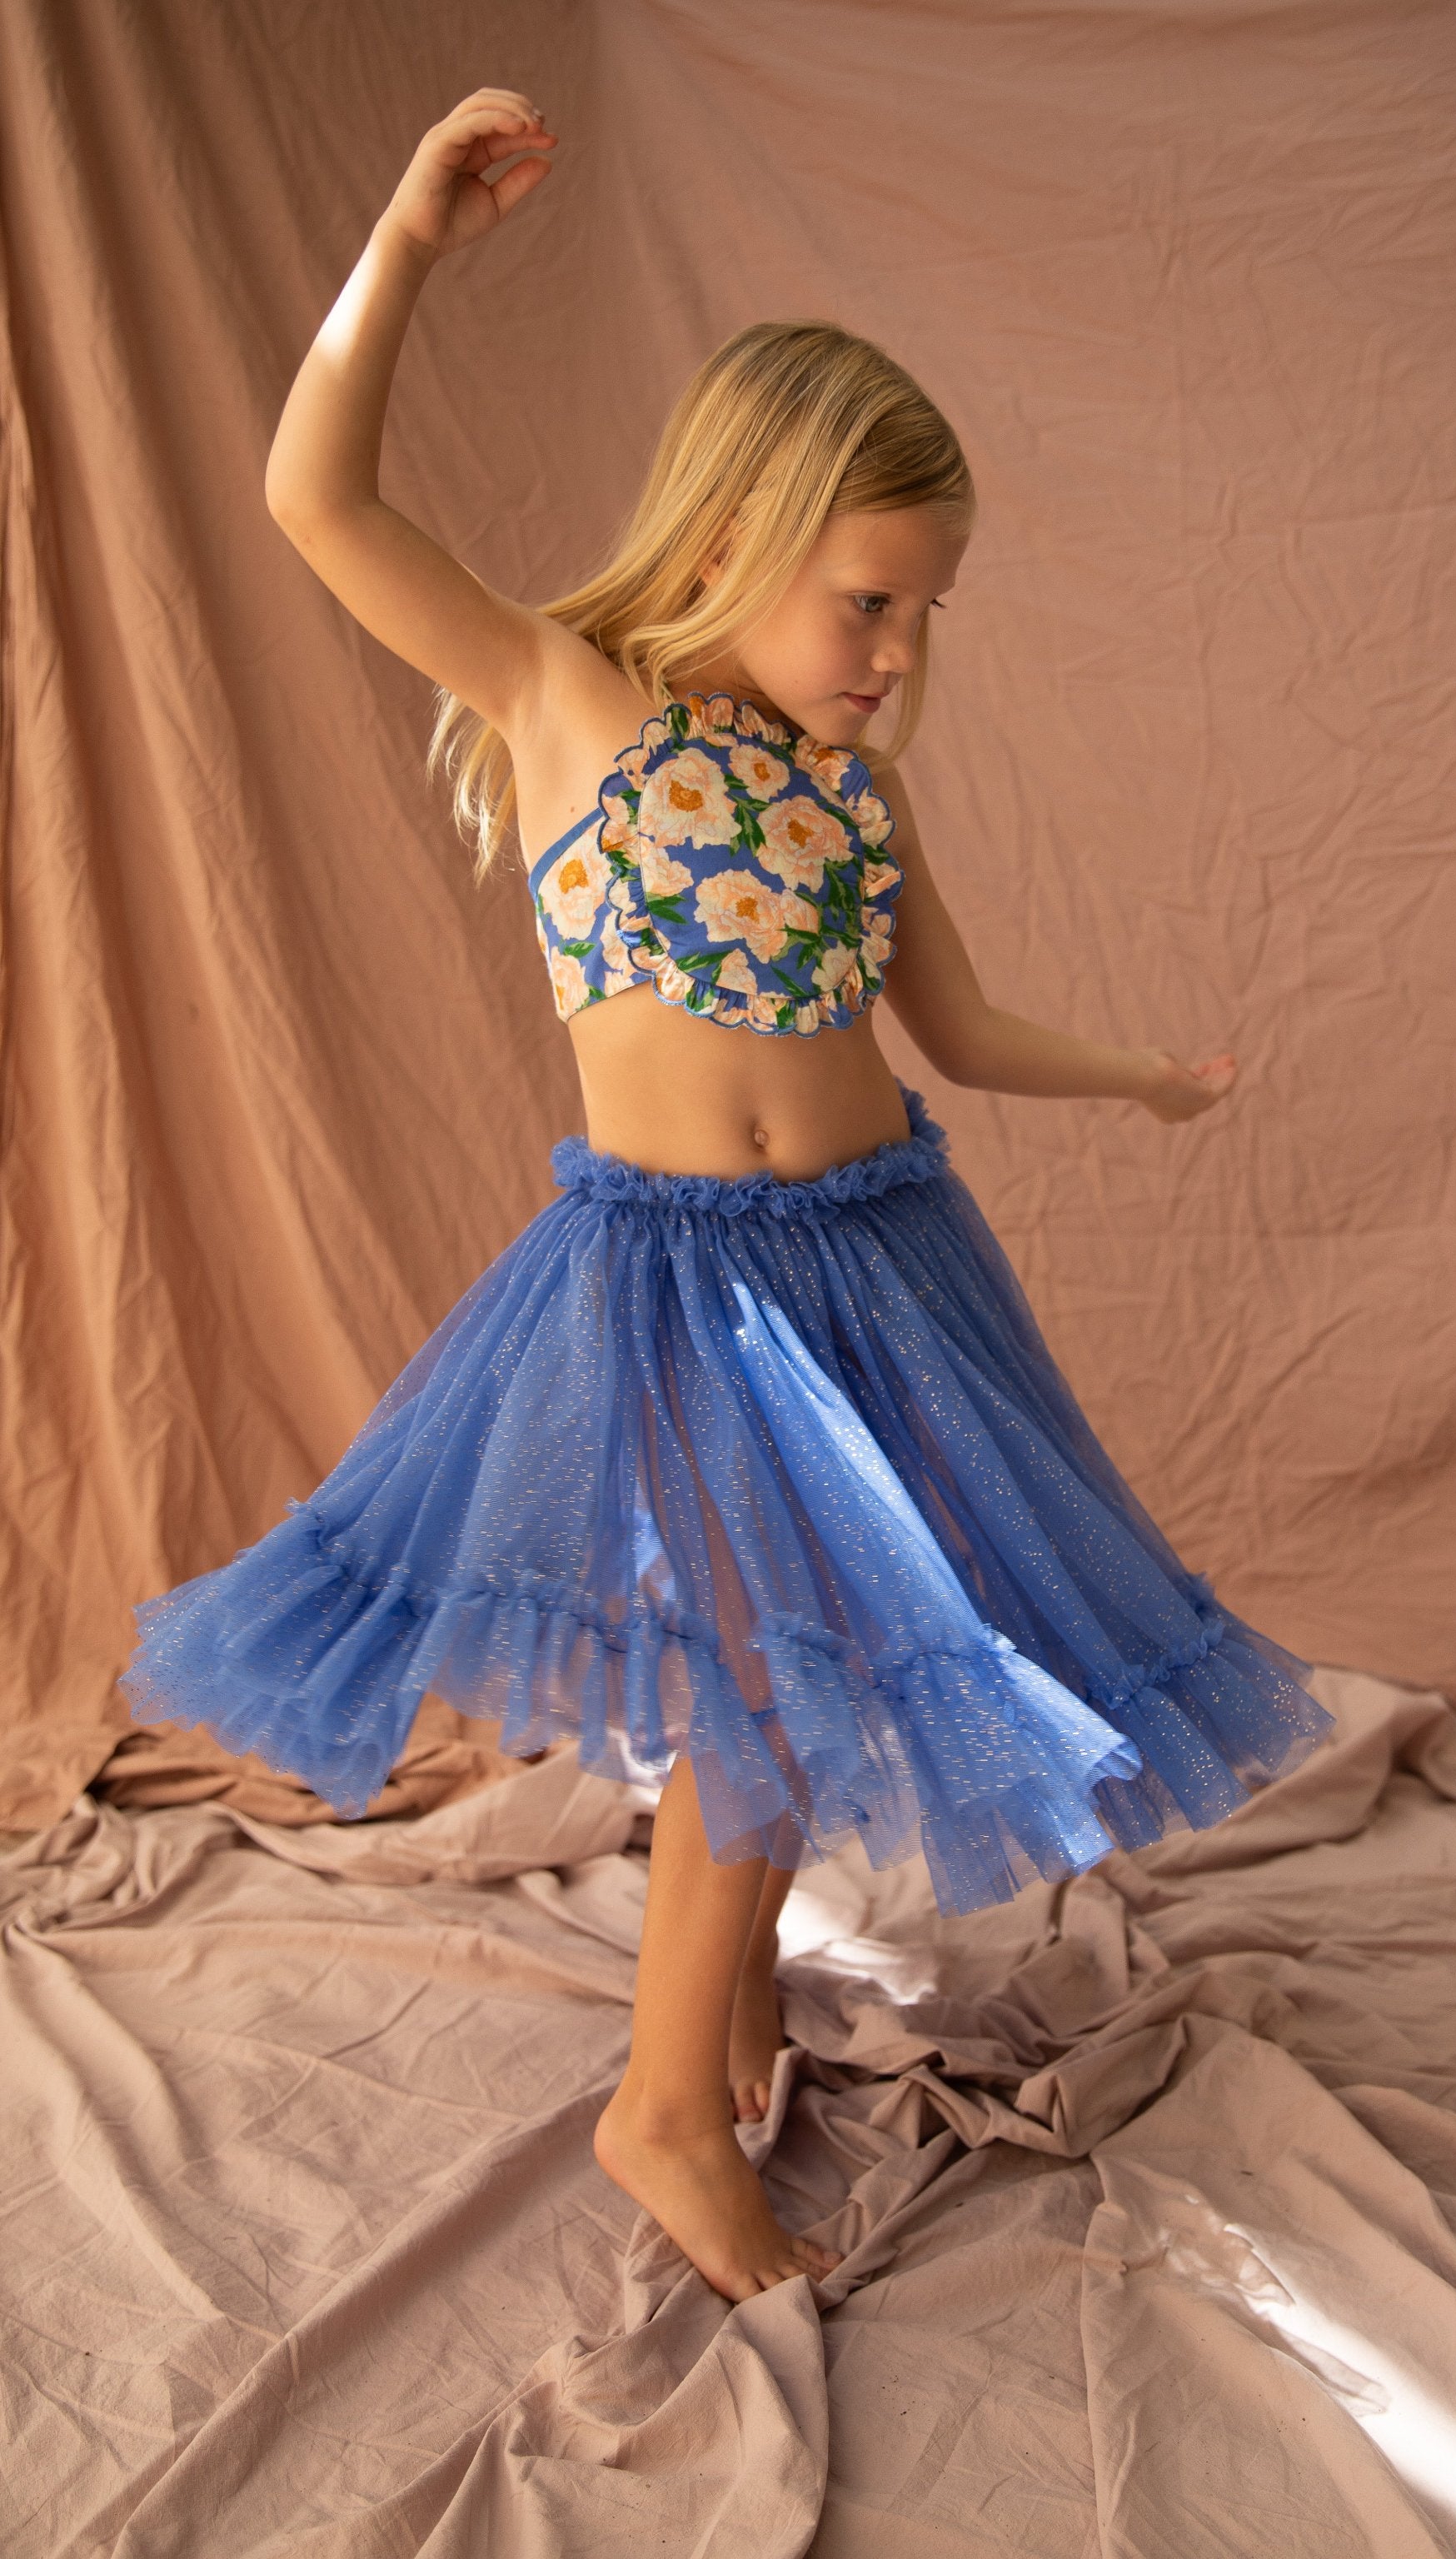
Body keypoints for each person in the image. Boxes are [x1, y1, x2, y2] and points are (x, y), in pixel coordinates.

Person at [121, 88, 1333, 2303]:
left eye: (921, 614)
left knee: (814, 1668)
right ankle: (663, 2111)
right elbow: (315, 497)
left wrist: (1144, 1074)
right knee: (771, 1690)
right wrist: (402, 238)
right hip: (683, 1288)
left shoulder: (848, 802)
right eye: (868, 599)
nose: (893, 653)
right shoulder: (573, 705)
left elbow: (952, 1032)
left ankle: (734, 2001)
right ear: (743, 532)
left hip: (886, 1266)